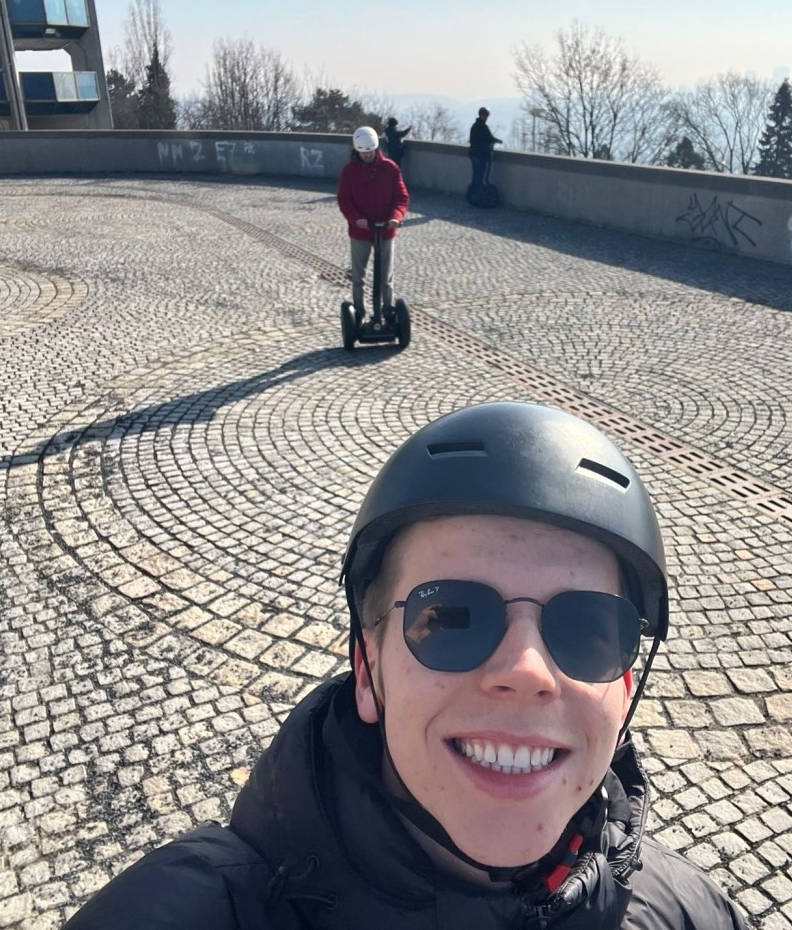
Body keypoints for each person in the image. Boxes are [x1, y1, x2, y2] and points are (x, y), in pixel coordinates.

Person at [63, 402, 750, 930]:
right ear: (368, 670)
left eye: (587, 629)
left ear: (624, 685)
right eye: (451, 617)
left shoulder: (687, 911)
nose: (527, 668)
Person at [336, 126, 409, 326]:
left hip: (386, 229)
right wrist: (355, 218)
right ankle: (358, 311)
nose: (367, 155)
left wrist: (396, 216)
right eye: (363, 152)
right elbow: (344, 200)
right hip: (360, 231)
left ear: (376, 148)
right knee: (358, 276)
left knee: (386, 276)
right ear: (357, 151)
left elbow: (402, 196)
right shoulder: (349, 171)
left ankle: (388, 309)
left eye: (370, 151)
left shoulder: (390, 168)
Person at [469, 106, 502, 191]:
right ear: (482, 115)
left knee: (476, 174)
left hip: (474, 153)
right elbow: (489, 138)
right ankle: (478, 192)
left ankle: (474, 192)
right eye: (486, 116)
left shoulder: (475, 126)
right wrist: (498, 141)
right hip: (480, 154)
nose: (486, 118)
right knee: (479, 174)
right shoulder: (482, 126)